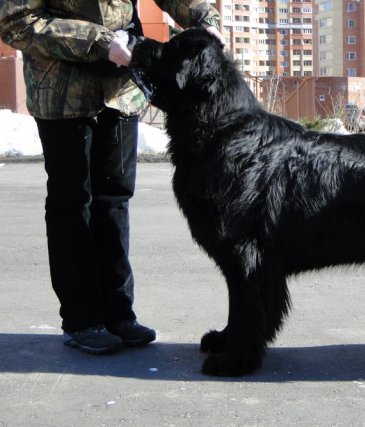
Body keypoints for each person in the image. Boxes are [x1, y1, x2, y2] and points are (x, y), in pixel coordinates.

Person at [0, 1, 224, 355]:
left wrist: (203, 21)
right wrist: (99, 42)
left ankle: (120, 314)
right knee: (73, 204)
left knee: (115, 200)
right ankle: (82, 320)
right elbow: (15, 22)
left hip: (120, 93)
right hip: (62, 94)